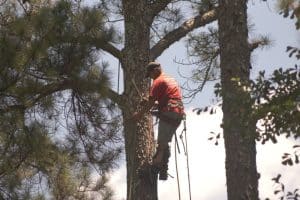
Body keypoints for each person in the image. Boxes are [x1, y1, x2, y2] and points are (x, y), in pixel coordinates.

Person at [132, 61, 185, 180]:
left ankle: (154, 169)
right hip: (178, 113)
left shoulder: (158, 82)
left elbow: (151, 103)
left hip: (169, 112)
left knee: (161, 145)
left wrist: (139, 115)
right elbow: (165, 100)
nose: (150, 77)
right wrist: (154, 105)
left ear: (155, 70)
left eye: (150, 74)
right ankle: (163, 170)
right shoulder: (171, 79)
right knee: (164, 142)